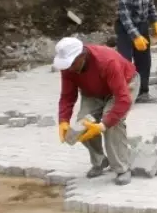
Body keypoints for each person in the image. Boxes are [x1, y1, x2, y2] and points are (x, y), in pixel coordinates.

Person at [53, 37, 139, 185]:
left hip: (124, 85)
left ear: (82, 56)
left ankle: (122, 168)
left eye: (72, 64)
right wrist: (63, 121)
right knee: (81, 125)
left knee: (113, 123)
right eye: (67, 65)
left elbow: (123, 99)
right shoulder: (68, 68)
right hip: (93, 92)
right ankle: (100, 161)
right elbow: (67, 96)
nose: (69, 69)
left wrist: (103, 125)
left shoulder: (106, 61)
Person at [115, 0, 157, 103]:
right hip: (125, 28)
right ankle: (123, 96)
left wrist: (155, 21)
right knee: (125, 62)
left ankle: (143, 93)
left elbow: (150, 5)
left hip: (142, 25)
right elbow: (124, 14)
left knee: (144, 60)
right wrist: (135, 36)